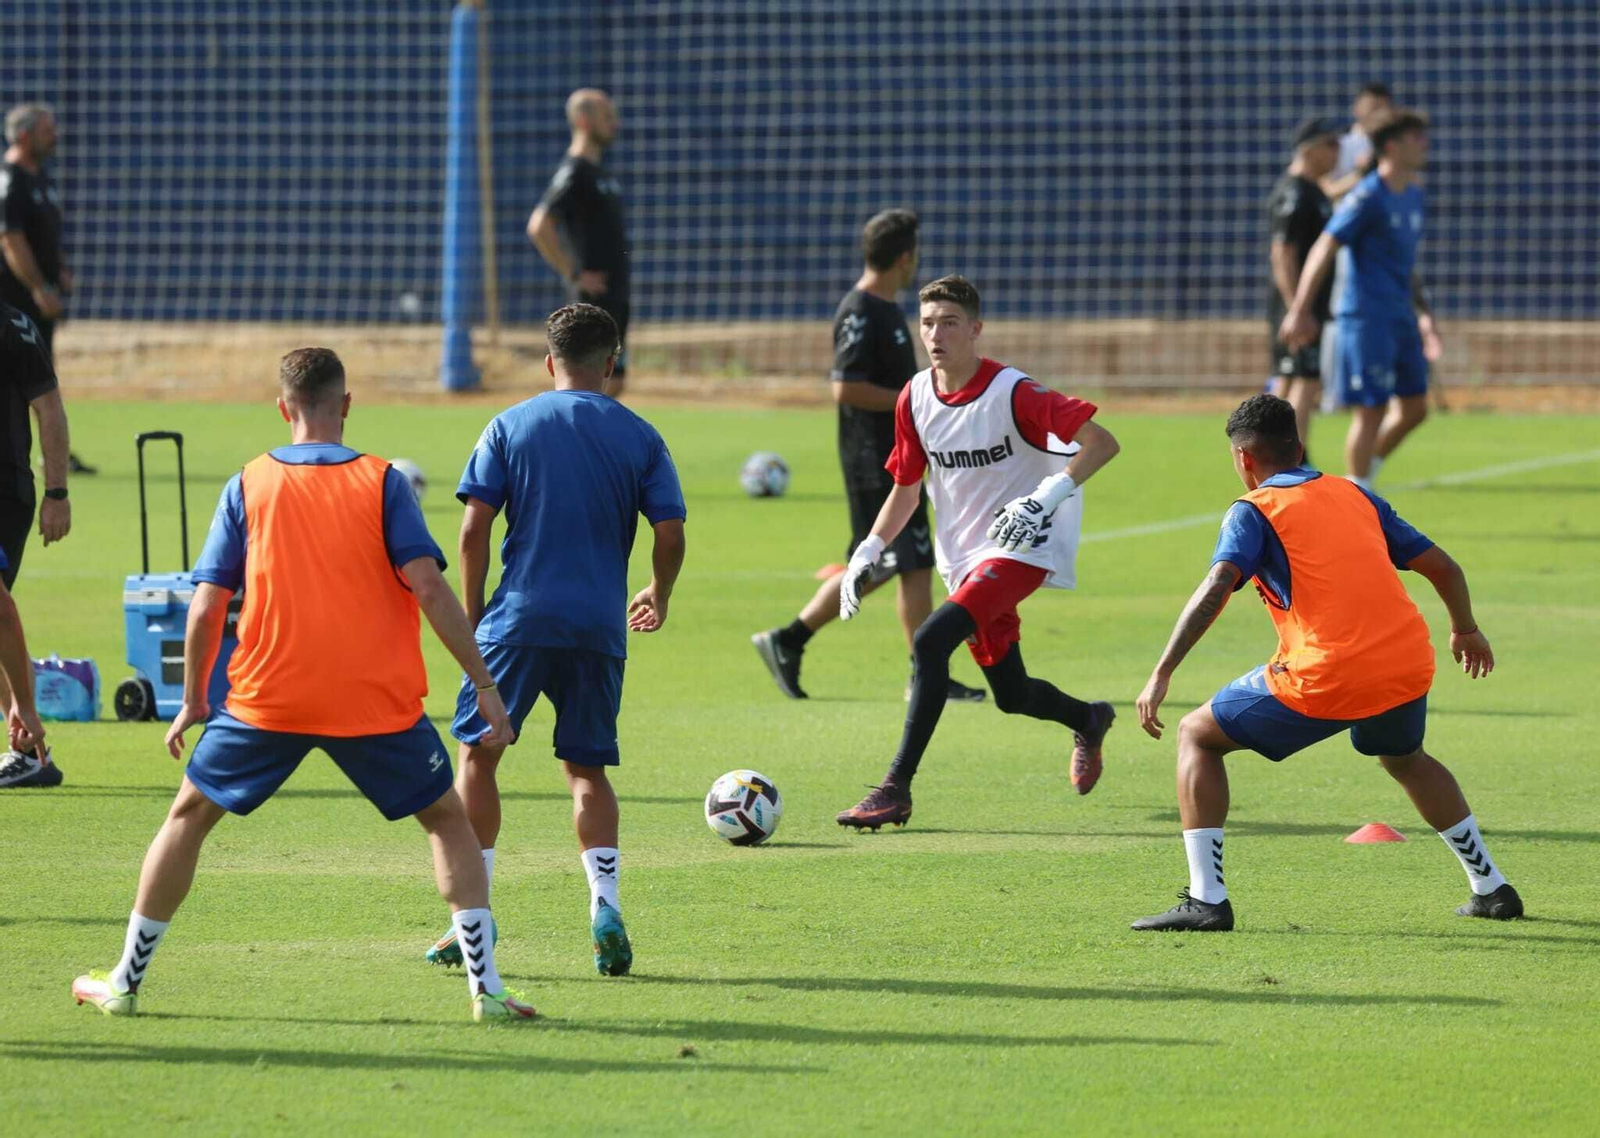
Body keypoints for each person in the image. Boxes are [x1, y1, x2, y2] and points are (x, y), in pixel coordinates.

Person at [70, 348, 534, 1022]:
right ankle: (486, 990)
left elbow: (203, 606)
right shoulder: (383, 483)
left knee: (190, 817)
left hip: (266, 698)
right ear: (346, 404)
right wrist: (485, 684)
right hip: (375, 701)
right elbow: (429, 587)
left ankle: (125, 982)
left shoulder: (248, 483)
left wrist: (197, 699)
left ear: (283, 407)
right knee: (446, 821)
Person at [1130, 394, 1521, 932]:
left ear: (1244, 458)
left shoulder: (1254, 509)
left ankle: (1206, 901)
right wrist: (1465, 628)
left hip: (1328, 674)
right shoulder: (1354, 493)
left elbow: (1219, 583)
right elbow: (1445, 568)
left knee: (1198, 735)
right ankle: (1492, 887)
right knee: (1406, 758)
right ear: (1300, 444)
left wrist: (1162, 670)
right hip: (1405, 661)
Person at [425, 304, 686, 978]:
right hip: (599, 628)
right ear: (612, 364)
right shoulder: (641, 435)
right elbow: (671, 531)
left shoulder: (510, 425)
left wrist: (477, 612)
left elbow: (472, 530)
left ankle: (469, 919)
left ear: (549, 363)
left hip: (519, 621)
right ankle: (605, 906)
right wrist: (658, 591)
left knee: (479, 757)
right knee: (586, 771)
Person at [833, 276, 1120, 830]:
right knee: (1011, 694)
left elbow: (1102, 442)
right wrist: (866, 551)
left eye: (949, 322)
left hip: (1021, 548)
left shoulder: (1014, 391)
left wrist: (1046, 498)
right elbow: (906, 488)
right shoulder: (914, 397)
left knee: (928, 639)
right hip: (962, 560)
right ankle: (1089, 718)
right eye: (927, 323)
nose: (935, 334)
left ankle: (895, 789)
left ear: (976, 330)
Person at [752, 209, 983, 703]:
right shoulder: (861, 311)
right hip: (874, 461)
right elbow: (846, 387)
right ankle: (924, 677)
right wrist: (911, 399)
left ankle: (789, 640)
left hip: (896, 457)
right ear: (904, 257)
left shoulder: (884, 309)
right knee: (906, 561)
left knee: (892, 564)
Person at [1280, 108, 1433, 491]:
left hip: (1401, 317)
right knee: (1372, 410)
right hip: (1367, 318)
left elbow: (1405, 264)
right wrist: (1299, 308)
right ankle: (1359, 494)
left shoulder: (1412, 195)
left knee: (1416, 408)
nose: (1424, 145)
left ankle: (1359, 483)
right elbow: (1324, 246)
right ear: (1392, 147)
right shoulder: (1366, 198)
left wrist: (1425, 314)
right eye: (1416, 138)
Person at [0, 104, 93, 476]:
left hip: (39, 304)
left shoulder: (40, 177)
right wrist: (39, 287)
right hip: (15, 302)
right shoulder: (10, 179)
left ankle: (50, 454)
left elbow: (43, 237)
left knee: (42, 377)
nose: (54, 135)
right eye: (46, 130)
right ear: (25, 136)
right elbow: (10, 238)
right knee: (21, 381)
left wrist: (60, 272)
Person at [0, 301, 69, 788]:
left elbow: (48, 407)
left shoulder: (13, 328)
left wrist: (57, 493)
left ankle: (25, 725)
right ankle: (29, 750)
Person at [527, 89, 629, 398]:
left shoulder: (600, 173)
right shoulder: (574, 172)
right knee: (589, 386)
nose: (615, 124)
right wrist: (573, 274)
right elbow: (539, 226)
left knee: (613, 383)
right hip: (592, 299)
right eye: (607, 117)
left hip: (614, 296)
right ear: (584, 121)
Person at [1264, 118, 1338, 456]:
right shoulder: (1295, 192)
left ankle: (1273, 451)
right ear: (1309, 148)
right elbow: (1283, 252)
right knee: (1303, 379)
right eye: (1331, 145)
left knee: (1293, 378)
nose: (1337, 153)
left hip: (1308, 305)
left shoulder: (1314, 190)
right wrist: (1297, 308)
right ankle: (1291, 459)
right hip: (1296, 305)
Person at [1319, 81, 1391, 202]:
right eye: (1373, 108)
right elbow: (1326, 191)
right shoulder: (1336, 144)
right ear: (1357, 108)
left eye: (1383, 109)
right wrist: (1361, 174)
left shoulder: (1394, 146)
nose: (1378, 115)